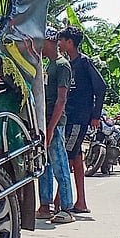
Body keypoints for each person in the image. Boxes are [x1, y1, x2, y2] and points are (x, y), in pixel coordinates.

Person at [57, 26, 107, 214]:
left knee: (66, 158)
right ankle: (81, 202)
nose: (59, 44)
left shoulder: (84, 62)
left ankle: (59, 201)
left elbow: (101, 87)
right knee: (76, 157)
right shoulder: (65, 64)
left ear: (70, 42)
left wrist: (95, 115)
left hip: (79, 118)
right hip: (69, 117)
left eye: (61, 40)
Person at [38, 28, 76, 224]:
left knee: (60, 163)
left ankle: (67, 208)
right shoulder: (49, 65)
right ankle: (45, 205)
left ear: (50, 42)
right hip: (46, 122)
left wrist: (51, 128)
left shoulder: (62, 66)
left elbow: (61, 100)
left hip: (55, 123)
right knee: (44, 165)